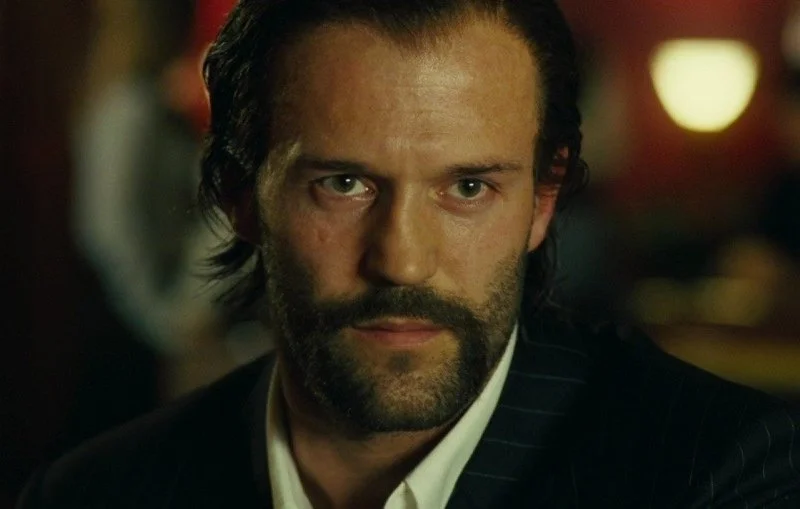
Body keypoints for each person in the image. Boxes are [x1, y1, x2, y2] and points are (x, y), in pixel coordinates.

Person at [18, 0, 800, 507]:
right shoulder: (94, 494)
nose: (402, 260)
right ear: (240, 197)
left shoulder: (719, 472)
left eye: (468, 187)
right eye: (345, 183)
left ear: (543, 200)